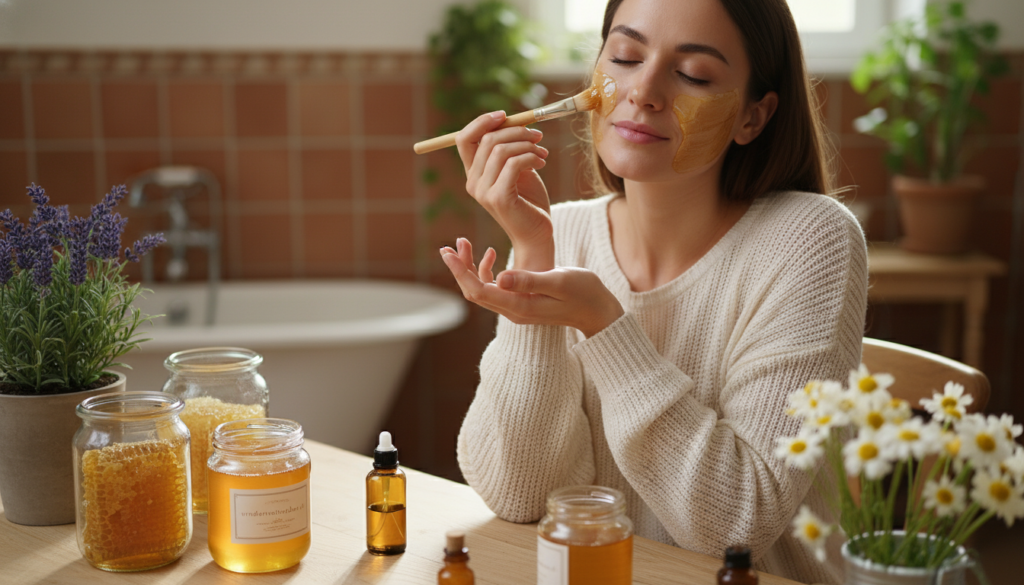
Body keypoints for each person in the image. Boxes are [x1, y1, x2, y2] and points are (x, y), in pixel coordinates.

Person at [439, 0, 867, 583]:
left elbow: (737, 528)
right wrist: (534, 254)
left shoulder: (809, 240)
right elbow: (522, 497)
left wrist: (607, 328)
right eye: (624, 56)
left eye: (693, 74)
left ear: (753, 117)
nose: (642, 91)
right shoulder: (557, 233)